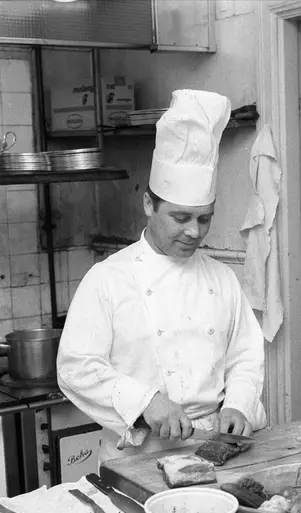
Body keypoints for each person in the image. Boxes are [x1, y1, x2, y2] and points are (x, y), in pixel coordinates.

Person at [57, 89, 267, 464]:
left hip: (216, 448)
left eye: (204, 218)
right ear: (148, 204)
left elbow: (245, 356)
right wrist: (145, 402)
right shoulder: (107, 279)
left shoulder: (221, 279)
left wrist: (239, 404)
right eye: (180, 218)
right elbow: (76, 368)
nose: (194, 232)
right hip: (137, 456)